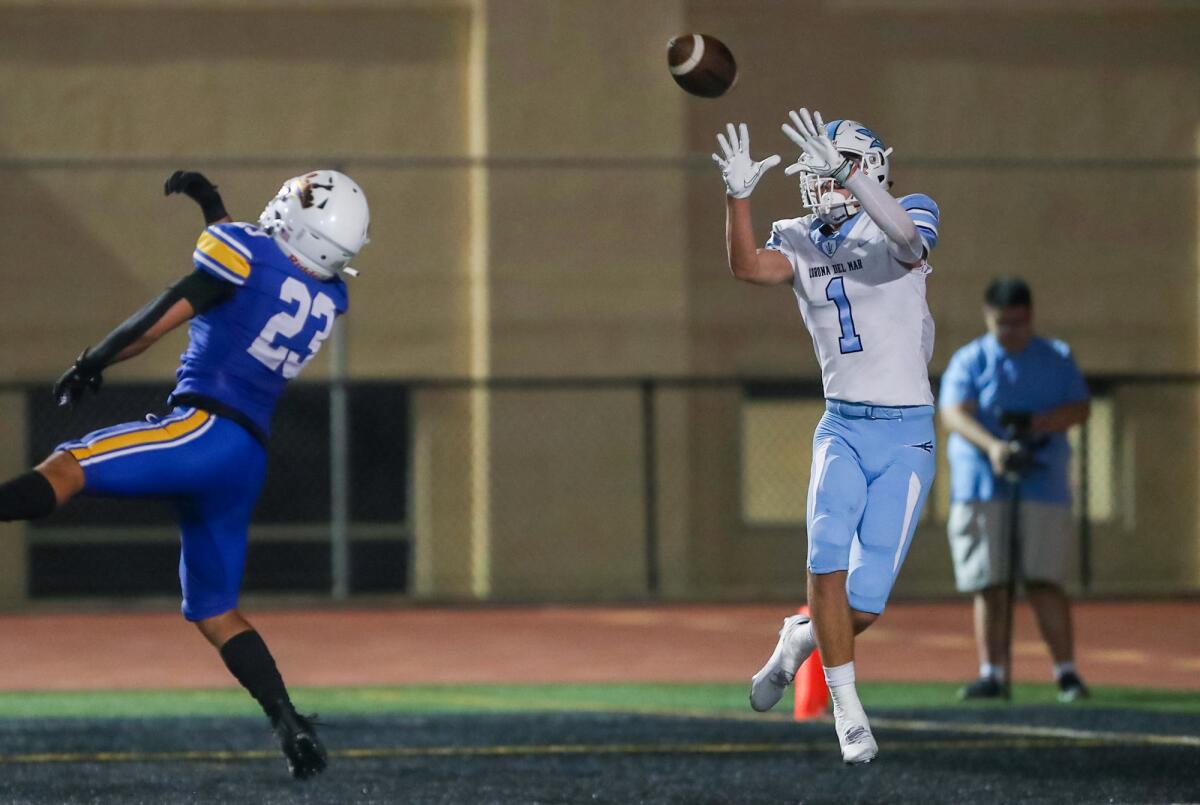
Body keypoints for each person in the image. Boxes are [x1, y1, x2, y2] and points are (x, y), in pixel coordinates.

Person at [0, 168, 370, 779]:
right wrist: (210, 202)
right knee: (213, 609)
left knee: (68, 468)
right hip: (246, 456)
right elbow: (256, 271)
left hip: (202, 431)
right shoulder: (329, 295)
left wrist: (93, 360)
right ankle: (288, 721)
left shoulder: (246, 256)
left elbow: (165, 312)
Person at [713, 109, 941, 764]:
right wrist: (737, 198)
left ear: (868, 170)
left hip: (906, 435)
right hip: (841, 423)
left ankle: (795, 641)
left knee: (862, 604)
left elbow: (909, 242)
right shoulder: (803, 235)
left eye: (834, 174)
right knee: (825, 558)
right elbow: (749, 267)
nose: (823, 187)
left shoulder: (909, 211)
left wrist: (853, 176)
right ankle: (847, 708)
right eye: (817, 176)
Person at [939, 277, 1090, 702]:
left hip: (1043, 486)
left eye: (1018, 323)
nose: (1011, 331)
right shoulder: (970, 360)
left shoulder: (1056, 358)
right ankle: (992, 672)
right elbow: (953, 412)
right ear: (989, 317)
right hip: (983, 486)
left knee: (1044, 581)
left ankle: (1066, 673)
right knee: (990, 582)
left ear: (1031, 317)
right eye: (1002, 323)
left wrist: (1038, 427)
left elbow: (1080, 407)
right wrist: (995, 447)